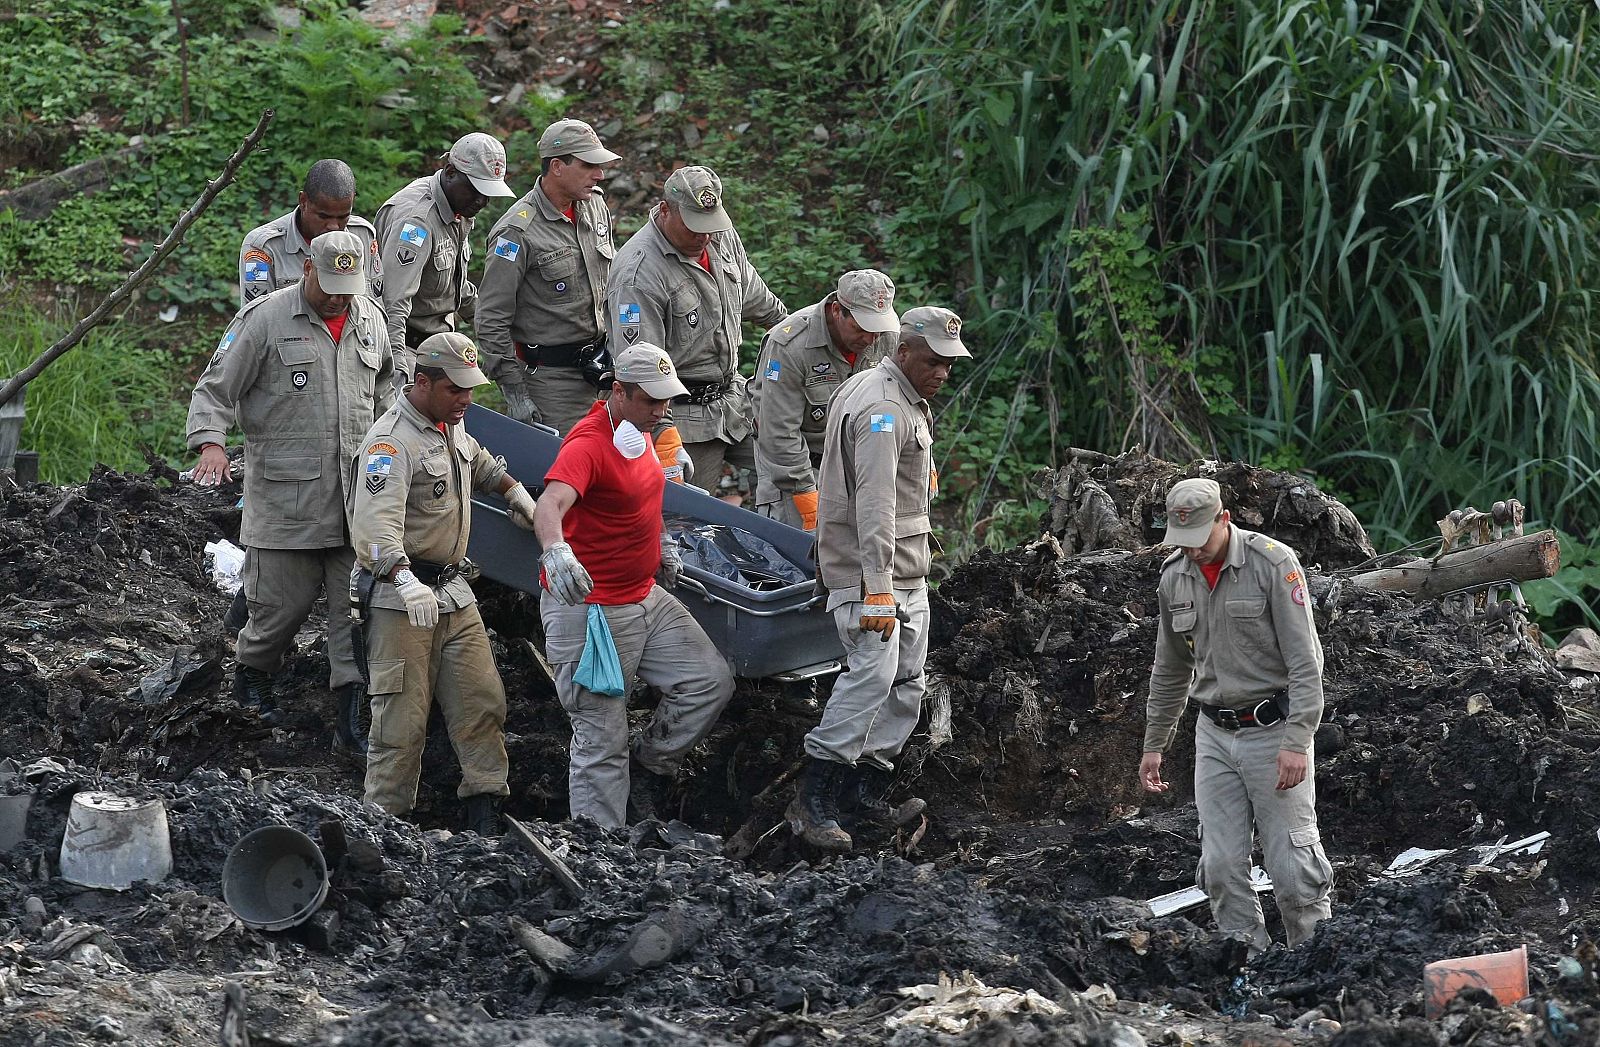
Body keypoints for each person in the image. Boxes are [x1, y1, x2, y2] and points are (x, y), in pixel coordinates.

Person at [187, 230, 395, 754]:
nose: (337, 299)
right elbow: (215, 387)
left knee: (354, 615)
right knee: (278, 611)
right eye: (328, 286)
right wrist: (211, 443)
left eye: (348, 289)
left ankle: (352, 713)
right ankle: (253, 679)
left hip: (355, 502)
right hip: (286, 501)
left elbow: (391, 392)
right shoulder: (263, 320)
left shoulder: (370, 319)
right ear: (306, 270)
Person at [787, 307, 969, 852]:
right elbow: (875, 505)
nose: (942, 373)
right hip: (875, 571)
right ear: (905, 351)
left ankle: (862, 791)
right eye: (933, 361)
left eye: (949, 364)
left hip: (908, 567)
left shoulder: (895, 392)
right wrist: (877, 586)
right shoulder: (883, 409)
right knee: (870, 676)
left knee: (907, 680)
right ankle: (814, 796)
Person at [532, 342, 736, 829]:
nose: (662, 411)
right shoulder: (588, 443)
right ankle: (598, 850)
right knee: (602, 741)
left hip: (644, 594)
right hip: (594, 611)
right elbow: (550, 504)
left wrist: (661, 540)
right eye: (651, 400)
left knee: (709, 681)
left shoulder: (637, 432)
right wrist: (556, 550)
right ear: (618, 391)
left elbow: (642, 496)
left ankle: (648, 762)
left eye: (667, 400)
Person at [347, 332, 540, 834]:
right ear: (423, 382)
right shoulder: (391, 443)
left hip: (453, 592)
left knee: (482, 701)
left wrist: (513, 491)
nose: (467, 400)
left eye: (470, 389)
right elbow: (373, 525)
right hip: (401, 598)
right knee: (400, 721)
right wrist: (402, 577)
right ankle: (385, 824)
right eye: (456, 389)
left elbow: (476, 460)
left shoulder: (448, 426)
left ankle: (486, 806)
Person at [1138, 478, 1334, 951]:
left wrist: (1296, 741)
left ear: (1224, 520)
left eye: (1199, 540)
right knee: (1222, 867)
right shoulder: (1174, 577)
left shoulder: (1272, 564)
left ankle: (1313, 963)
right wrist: (1154, 745)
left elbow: (1306, 662)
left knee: (1293, 869)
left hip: (1273, 732)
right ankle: (1248, 967)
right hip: (1214, 737)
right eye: (1181, 543)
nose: (1192, 552)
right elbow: (1169, 669)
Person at [605, 165, 787, 492]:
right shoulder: (639, 273)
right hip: (681, 414)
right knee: (693, 515)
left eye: (710, 226)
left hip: (733, 399)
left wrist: (791, 332)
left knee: (788, 475)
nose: (703, 237)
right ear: (665, 211)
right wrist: (663, 436)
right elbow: (639, 367)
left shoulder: (718, 233)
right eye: (693, 228)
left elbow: (752, 293)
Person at [476, 118, 621, 434]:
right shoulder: (516, 232)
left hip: (602, 371)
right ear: (557, 166)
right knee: (563, 475)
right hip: (551, 384)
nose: (600, 175)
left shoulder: (595, 206)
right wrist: (515, 392)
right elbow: (491, 318)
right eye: (588, 165)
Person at [751, 269, 899, 530]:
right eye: (861, 327)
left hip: (860, 462)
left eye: (877, 329)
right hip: (801, 465)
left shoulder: (886, 336)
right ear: (836, 310)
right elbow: (778, 433)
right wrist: (806, 495)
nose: (870, 339)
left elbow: (902, 406)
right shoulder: (790, 344)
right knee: (799, 556)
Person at [375, 132, 515, 386]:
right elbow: (392, 303)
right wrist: (396, 371)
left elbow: (453, 284)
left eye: (488, 193)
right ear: (450, 172)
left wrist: (492, 326)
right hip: (407, 348)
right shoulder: (417, 221)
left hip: (438, 345)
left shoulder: (458, 208)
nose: (482, 201)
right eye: (475, 190)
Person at [239, 159, 381, 306]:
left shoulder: (363, 236)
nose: (333, 226)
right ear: (303, 201)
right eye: (323, 216)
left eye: (343, 217)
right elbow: (257, 319)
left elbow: (377, 308)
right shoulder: (265, 248)